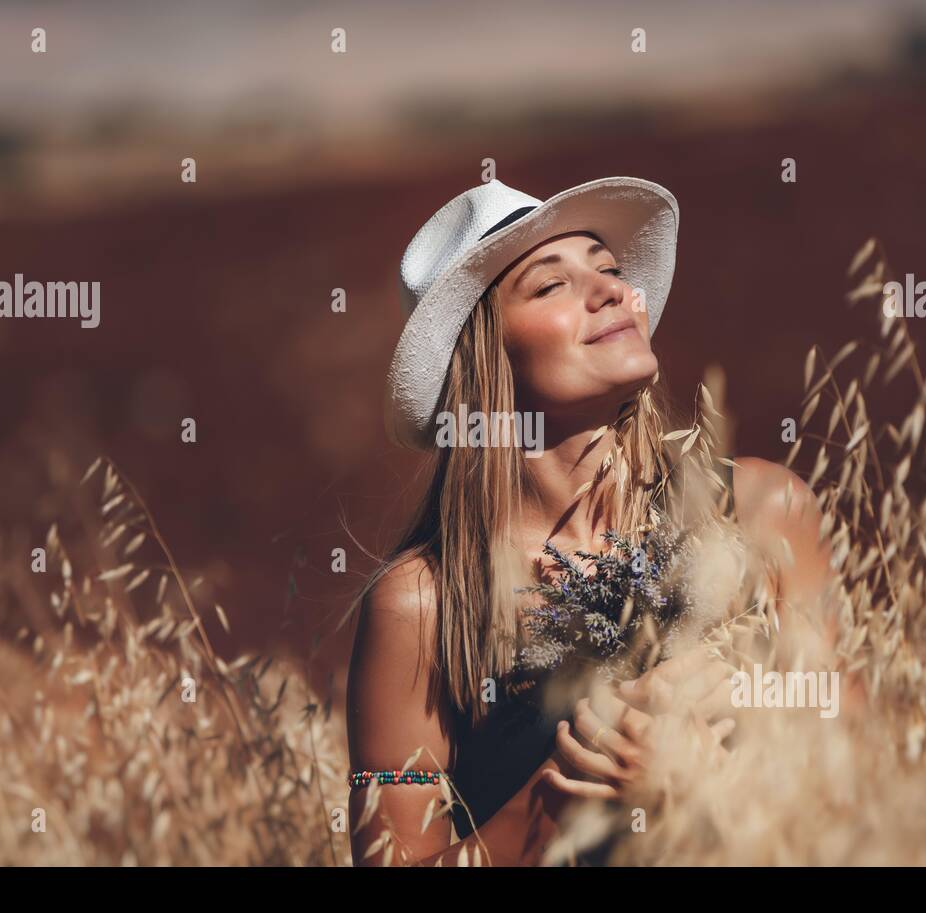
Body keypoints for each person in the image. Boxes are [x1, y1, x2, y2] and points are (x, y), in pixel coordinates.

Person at [345, 177, 837, 866]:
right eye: (551, 286)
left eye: (608, 270)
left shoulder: (762, 511)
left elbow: (866, 762)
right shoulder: (423, 603)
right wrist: (560, 804)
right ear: (484, 356)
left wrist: (750, 695)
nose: (612, 291)